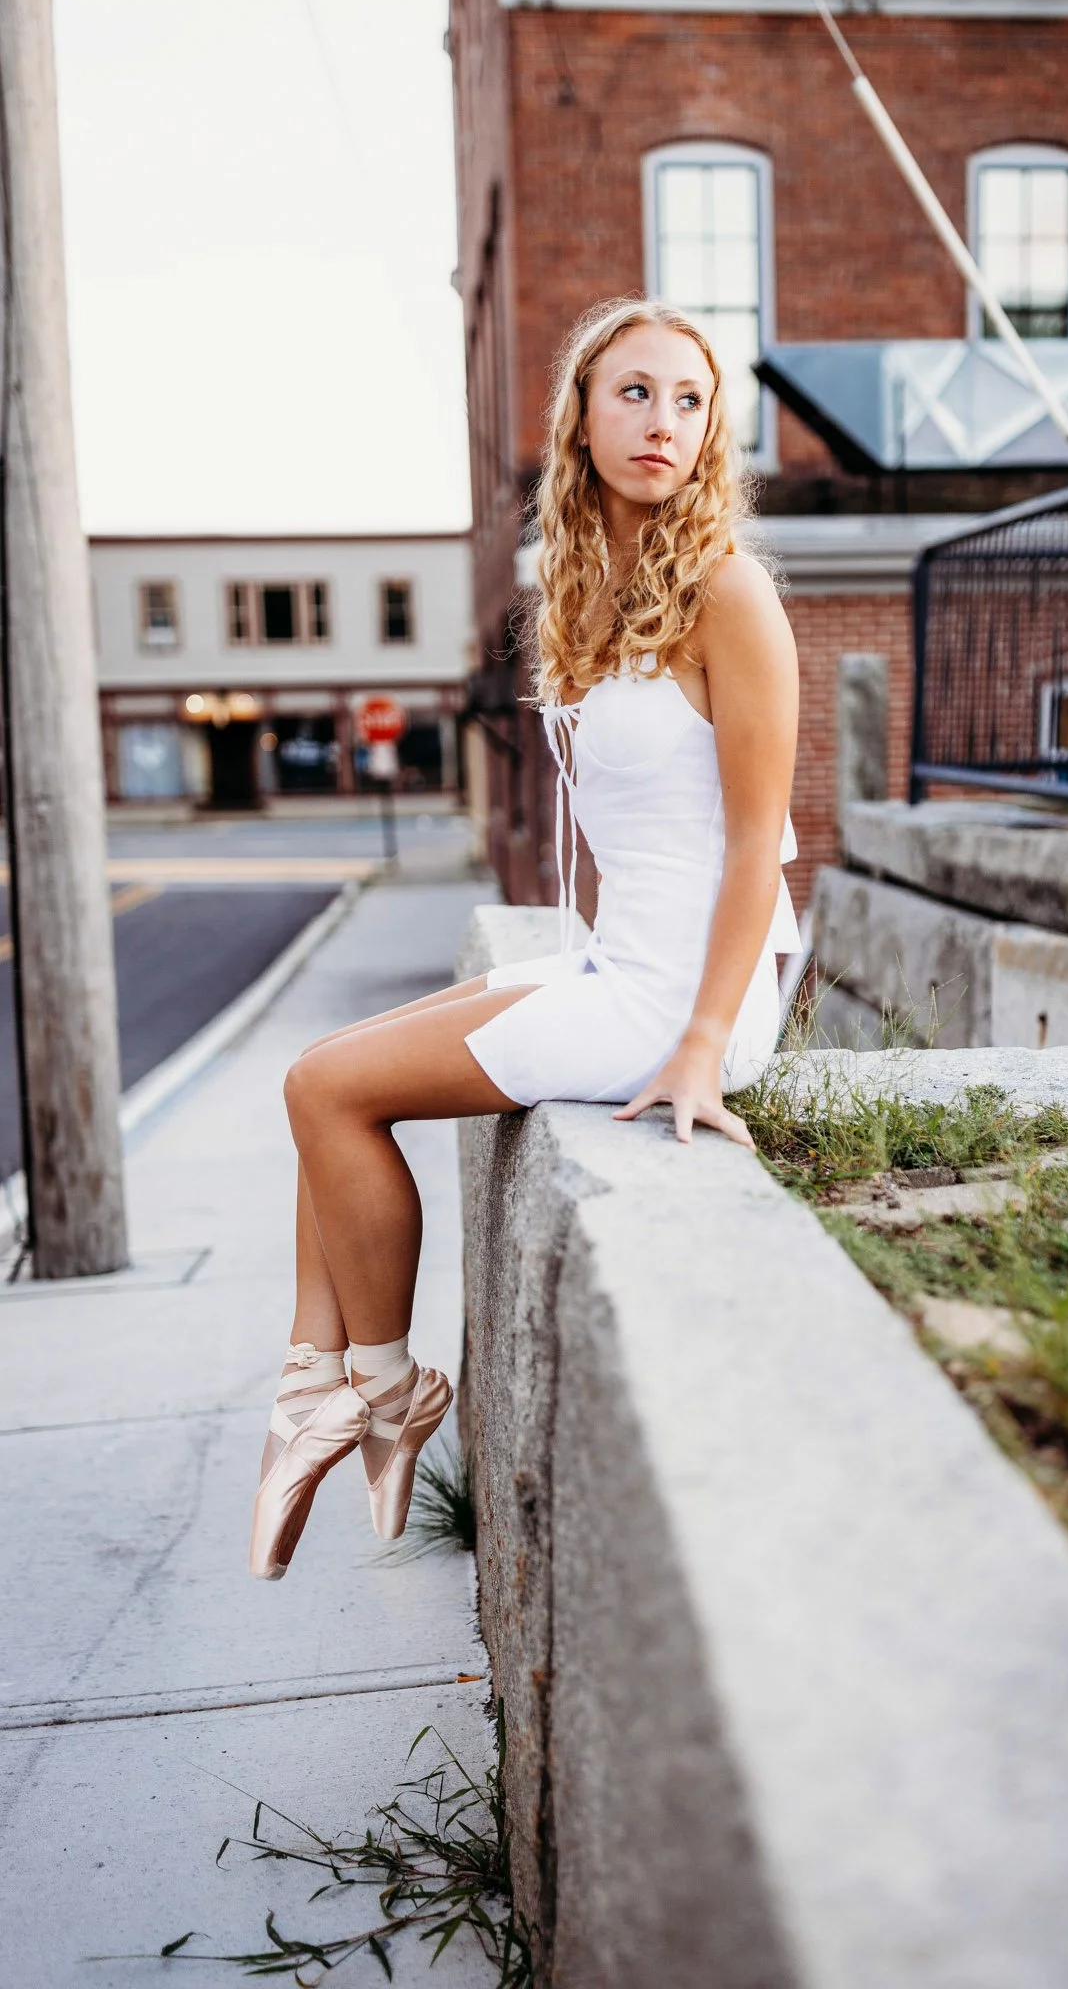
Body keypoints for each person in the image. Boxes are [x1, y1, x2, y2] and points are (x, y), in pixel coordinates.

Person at [249, 296, 801, 1580]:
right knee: (331, 1072)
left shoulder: (730, 590)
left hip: (683, 1002)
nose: (661, 421)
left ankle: (374, 1388)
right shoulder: (591, 589)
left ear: (712, 430)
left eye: (688, 399)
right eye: (633, 392)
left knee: (323, 1088)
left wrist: (704, 1045)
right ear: (582, 416)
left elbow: (755, 849)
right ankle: (316, 1382)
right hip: (624, 968)